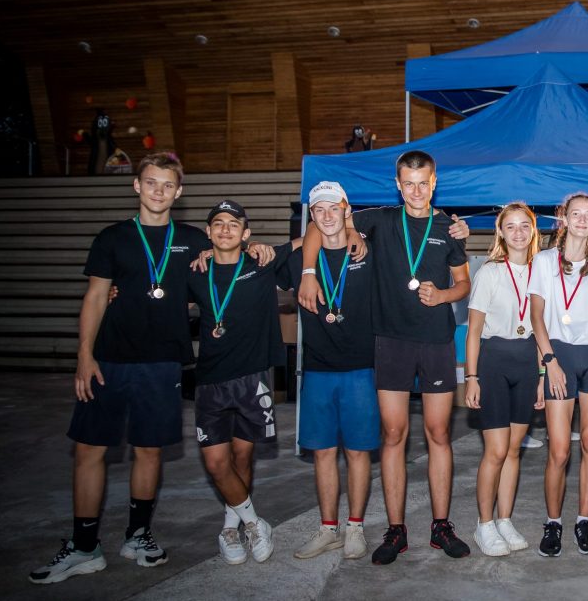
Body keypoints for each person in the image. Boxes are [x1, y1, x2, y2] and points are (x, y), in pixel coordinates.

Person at [30, 154, 210, 584]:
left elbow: (223, 267)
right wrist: (84, 354)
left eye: (167, 185)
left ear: (179, 192)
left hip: (162, 361)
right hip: (109, 359)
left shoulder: (192, 239)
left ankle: (138, 535)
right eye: (151, 183)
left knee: (149, 450)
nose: (159, 191)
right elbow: (95, 296)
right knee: (90, 450)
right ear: (136, 186)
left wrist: (255, 248)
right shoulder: (112, 238)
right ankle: (84, 546)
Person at [298, 150, 471, 563]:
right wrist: (308, 270)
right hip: (391, 341)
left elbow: (464, 282)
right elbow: (319, 224)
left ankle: (441, 526)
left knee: (439, 433)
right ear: (398, 185)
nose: (416, 191)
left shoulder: (449, 228)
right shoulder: (379, 219)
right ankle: (396, 530)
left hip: (436, 341)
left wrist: (443, 295)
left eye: (423, 183)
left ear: (434, 183)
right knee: (393, 435)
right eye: (408, 183)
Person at [187, 200, 290, 566]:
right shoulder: (194, 272)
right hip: (210, 382)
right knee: (217, 463)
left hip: (251, 379)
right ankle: (254, 522)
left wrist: (352, 231)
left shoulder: (261, 264)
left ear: (246, 233)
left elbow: (309, 238)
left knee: (243, 456)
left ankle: (230, 528)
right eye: (218, 223)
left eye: (234, 224)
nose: (225, 229)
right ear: (209, 232)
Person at [282, 182, 378, 562]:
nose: (326, 216)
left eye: (333, 208)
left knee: (357, 453)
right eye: (318, 210)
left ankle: (355, 526)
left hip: (361, 370)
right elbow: (251, 260)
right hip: (318, 371)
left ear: (346, 209)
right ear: (311, 215)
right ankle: (328, 529)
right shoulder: (299, 261)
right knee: (322, 453)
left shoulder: (367, 251)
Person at [528, 193, 588, 556]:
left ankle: (584, 520)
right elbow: (537, 316)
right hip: (559, 357)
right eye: (575, 213)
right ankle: (553, 523)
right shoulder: (543, 261)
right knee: (560, 449)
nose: (582, 219)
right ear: (563, 218)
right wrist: (548, 363)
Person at [465, 202, 545, 556]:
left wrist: (541, 376)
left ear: (533, 230)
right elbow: (473, 331)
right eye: (510, 226)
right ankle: (484, 524)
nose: (518, 233)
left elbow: (542, 330)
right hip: (494, 361)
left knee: (514, 450)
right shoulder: (490, 272)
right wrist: (471, 377)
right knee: (496, 450)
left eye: (524, 226)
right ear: (501, 232)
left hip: (527, 361)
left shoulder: (542, 272)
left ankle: (505, 519)